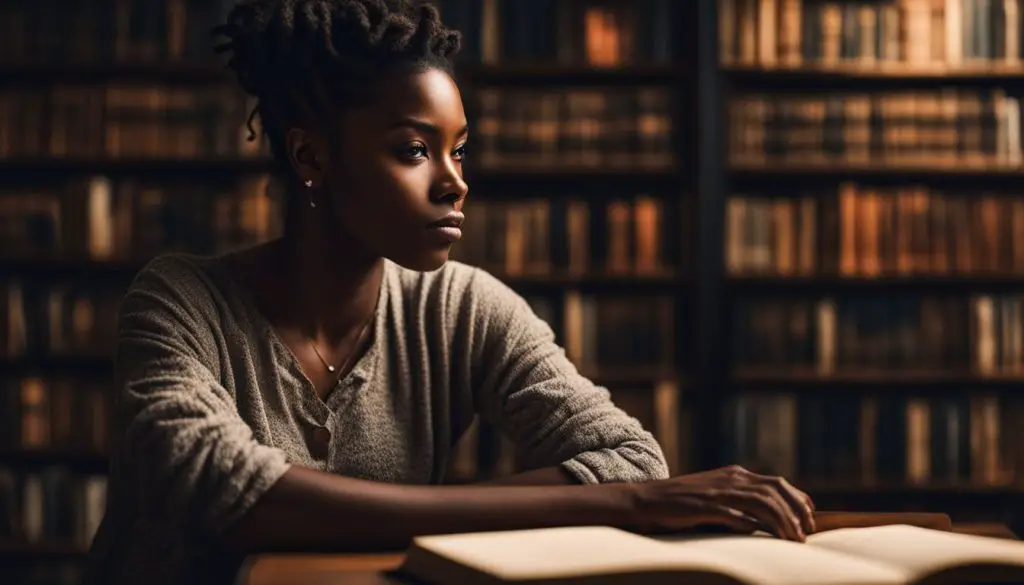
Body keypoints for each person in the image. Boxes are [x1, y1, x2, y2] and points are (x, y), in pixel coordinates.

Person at [83, 1, 815, 584]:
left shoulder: (462, 307)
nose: (454, 180)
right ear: (311, 155)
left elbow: (629, 457)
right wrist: (623, 507)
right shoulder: (179, 301)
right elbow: (234, 494)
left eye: (458, 148)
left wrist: (627, 490)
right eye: (413, 150)